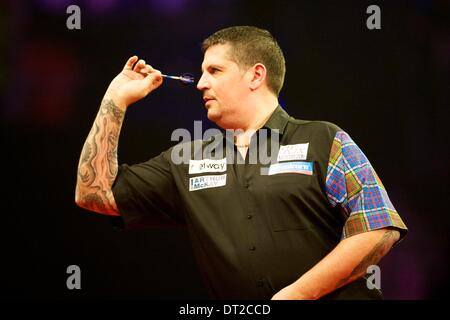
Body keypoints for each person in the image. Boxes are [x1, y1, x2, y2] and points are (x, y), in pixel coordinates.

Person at [75, 26, 408, 299]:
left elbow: (378, 228)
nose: (202, 83)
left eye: (215, 70)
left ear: (255, 75)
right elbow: (92, 194)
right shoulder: (188, 159)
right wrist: (114, 100)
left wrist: (298, 295)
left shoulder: (324, 140)